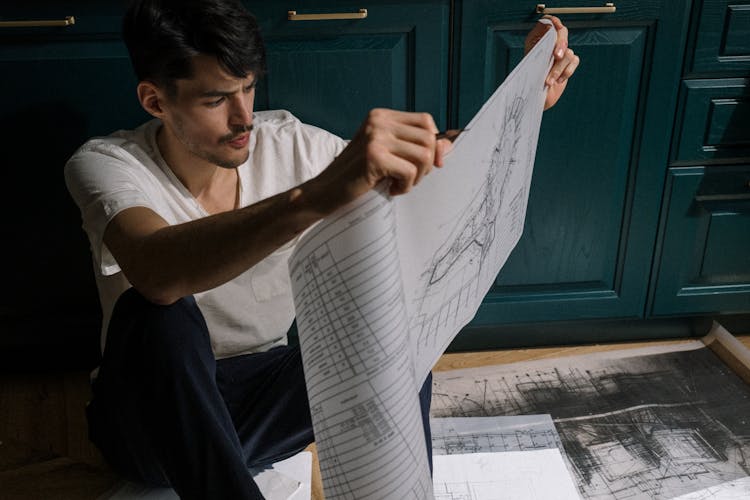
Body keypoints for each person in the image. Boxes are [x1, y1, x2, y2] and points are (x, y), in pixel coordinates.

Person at [64, 0, 579, 498]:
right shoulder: (107, 164)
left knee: (397, 336)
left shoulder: (292, 143)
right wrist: (313, 197)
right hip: (148, 425)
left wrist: (526, 102)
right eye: (216, 99)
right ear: (156, 101)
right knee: (157, 314)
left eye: (248, 88)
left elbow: (429, 171)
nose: (244, 118)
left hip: (255, 402)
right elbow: (155, 266)